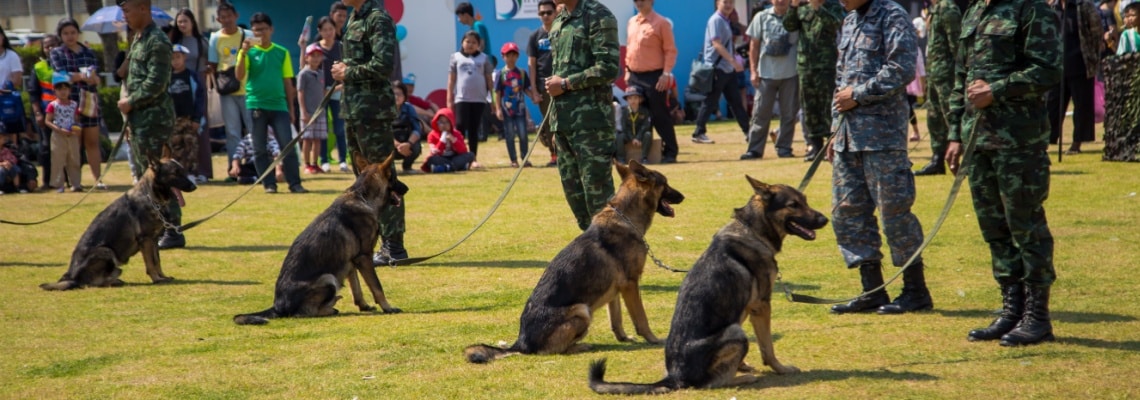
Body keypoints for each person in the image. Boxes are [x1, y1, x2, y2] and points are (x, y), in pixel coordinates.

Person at [946, 0, 1062, 347]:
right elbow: (960, 78)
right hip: (978, 141)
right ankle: (1012, 310)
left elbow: (1048, 69)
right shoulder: (975, 11)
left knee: (1026, 226)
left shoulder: (1031, 9)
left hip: (1019, 140)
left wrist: (996, 90)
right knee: (994, 229)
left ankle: (1037, 317)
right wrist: (954, 133)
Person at [826, 0, 932, 315]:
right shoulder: (848, 21)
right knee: (847, 213)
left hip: (882, 136)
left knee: (894, 213)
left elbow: (901, 68)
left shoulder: (892, 15)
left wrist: (857, 95)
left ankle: (916, 291)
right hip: (848, 136)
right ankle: (872, 289)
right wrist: (834, 130)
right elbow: (840, 82)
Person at [331, 0, 410, 266]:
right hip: (353, 110)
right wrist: (344, 71)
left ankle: (394, 246)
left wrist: (348, 72)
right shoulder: (354, 17)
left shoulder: (377, 19)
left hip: (373, 111)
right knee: (363, 183)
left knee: (382, 179)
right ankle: (372, 241)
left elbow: (384, 64)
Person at [546, 0, 619, 231]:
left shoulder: (598, 15)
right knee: (574, 195)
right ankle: (594, 251)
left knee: (598, 197)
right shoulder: (559, 20)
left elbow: (608, 67)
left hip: (592, 124)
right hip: (564, 123)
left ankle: (613, 252)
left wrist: (566, 84)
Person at [118, 0, 183, 248]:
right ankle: (157, 228)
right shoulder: (138, 38)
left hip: (154, 119)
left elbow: (157, 82)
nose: (125, 15)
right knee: (148, 179)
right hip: (140, 119)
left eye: (127, 9)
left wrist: (131, 101)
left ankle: (173, 229)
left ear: (143, 8)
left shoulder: (157, 41)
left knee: (161, 177)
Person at [235, 12, 307, 194]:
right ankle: (269, 184)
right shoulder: (248, 51)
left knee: (287, 146)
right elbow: (239, 75)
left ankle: (295, 183)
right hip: (256, 104)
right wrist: (243, 53)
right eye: (256, 30)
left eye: (264, 29)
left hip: (279, 106)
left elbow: (287, 82)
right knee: (259, 149)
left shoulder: (281, 52)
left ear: (271, 29)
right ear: (252, 31)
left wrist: (291, 109)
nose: (260, 33)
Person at [784, 0, 844, 162]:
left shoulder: (833, 6)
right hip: (805, 64)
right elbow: (789, 26)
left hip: (826, 65)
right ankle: (815, 147)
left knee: (828, 106)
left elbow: (833, 25)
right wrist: (793, 6)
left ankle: (832, 145)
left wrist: (818, 7)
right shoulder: (802, 7)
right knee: (809, 108)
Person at [50, 18, 104, 189]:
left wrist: (92, 78)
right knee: (74, 144)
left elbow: (96, 78)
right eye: (65, 33)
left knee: (92, 141)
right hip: (68, 103)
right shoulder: (57, 53)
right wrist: (81, 77)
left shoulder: (88, 52)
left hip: (89, 100)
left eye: (73, 32)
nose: (70, 36)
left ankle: (98, 179)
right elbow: (62, 76)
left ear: (78, 33)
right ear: (60, 35)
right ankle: (75, 181)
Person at [742, 0, 800, 160]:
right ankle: (754, 149)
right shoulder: (761, 17)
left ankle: (784, 148)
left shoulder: (797, 16)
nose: (780, 1)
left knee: (789, 114)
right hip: (766, 73)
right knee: (760, 113)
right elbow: (753, 45)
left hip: (791, 73)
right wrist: (753, 71)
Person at [624, 0, 680, 163]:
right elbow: (630, 48)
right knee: (638, 115)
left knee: (659, 114)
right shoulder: (631, 22)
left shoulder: (661, 23)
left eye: (642, 0)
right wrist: (627, 71)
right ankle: (644, 153)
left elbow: (670, 51)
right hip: (634, 75)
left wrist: (666, 74)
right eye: (635, 1)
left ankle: (671, 151)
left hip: (655, 76)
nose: (639, 3)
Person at [914, 0, 964, 176]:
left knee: (951, 115)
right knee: (934, 117)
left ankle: (963, 160)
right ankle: (937, 159)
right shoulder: (935, 10)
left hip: (947, 75)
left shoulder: (948, 8)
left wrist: (959, 76)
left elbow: (958, 46)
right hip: (935, 73)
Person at [1048, 0, 1104, 155]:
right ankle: (1047, 140)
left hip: (1080, 64)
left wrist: (1093, 56)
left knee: (1081, 107)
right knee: (1052, 105)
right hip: (1057, 65)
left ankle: (1077, 142)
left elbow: (1097, 32)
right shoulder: (1053, 6)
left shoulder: (1083, 5)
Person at [691, 0, 750, 145]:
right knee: (710, 101)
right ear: (718, 3)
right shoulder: (716, 20)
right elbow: (716, 44)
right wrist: (733, 61)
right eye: (725, 2)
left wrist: (734, 58)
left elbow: (725, 44)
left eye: (731, 2)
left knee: (735, 101)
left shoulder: (725, 20)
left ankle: (749, 131)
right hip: (718, 68)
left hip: (726, 69)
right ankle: (698, 132)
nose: (728, 5)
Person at [208, 2, 255, 176]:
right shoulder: (215, 38)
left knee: (252, 130)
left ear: (236, 16)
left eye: (229, 16)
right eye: (223, 17)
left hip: (248, 89)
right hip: (227, 91)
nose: (226, 20)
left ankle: (254, 167)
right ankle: (233, 170)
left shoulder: (248, 35)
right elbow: (213, 64)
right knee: (232, 131)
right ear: (218, 19)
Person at [170, 8, 211, 182]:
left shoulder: (201, 42)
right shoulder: (174, 41)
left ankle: (202, 171)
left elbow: (208, 63)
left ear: (192, 22)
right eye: (179, 21)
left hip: (196, 82)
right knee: (178, 137)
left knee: (199, 129)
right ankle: (181, 172)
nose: (182, 24)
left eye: (185, 21)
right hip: (177, 85)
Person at [447, 31, 494, 169]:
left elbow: (489, 81)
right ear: (462, 42)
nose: (470, 44)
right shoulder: (455, 57)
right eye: (468, 41)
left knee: (474, 129)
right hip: (461, 98)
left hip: (479, 99)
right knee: (460, 127)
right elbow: (451, 81)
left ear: (479, 45)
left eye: (474, 42)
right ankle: (459, 157)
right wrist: (449, 99)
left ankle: (473, 158)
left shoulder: (484, 58)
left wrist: (492, 100)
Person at [166, 44, 206, 182]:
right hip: (174, 120)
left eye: (178, 57)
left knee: (191, 145)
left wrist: (197, 118)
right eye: (172, 58)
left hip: (190, 118)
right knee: (175, 147)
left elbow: (200, 97)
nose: (175, 61)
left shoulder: (192, 75)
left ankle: (192, 173)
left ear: (185, 57)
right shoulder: (167, 78)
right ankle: (177, 173)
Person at [314, 16, 348, 173]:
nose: (328, 33)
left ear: (335, 30)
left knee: (339, 128)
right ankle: (324, 160)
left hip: (337, 91)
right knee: (322, 129)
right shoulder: (314, 48)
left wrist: (339, 87)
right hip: (319, 93)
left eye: (331, 29)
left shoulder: (341, 47)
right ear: (319, 31)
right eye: (325, 30)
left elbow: (347, 69)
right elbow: (306, 68)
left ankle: (342, 160)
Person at [27, 34, 61, 189]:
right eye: (47, 46)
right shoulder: (38, 67)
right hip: (46, 114)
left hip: (64, 112)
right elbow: (33, 93)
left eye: (54, 45)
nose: (50, 49)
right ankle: (47, 181)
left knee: (66, 148)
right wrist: (38, 114)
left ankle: (66, 180)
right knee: (46, 147)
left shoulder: (64, 64)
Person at [528, 0, 559, 167]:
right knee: (548, 122)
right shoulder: (535, 36)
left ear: (555, 13)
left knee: (564, 120)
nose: (545, 16)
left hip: (563, 84)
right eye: (542, 13)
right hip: (543, 85)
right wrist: (533, 89)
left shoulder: (562, 32)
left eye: (548, 12)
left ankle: (567, 155)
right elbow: (531, 64)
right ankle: (554, 155)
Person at [495, 42, 532, 168]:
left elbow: (526, 89)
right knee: (509, 135)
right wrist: (498, 109)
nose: (511, 58)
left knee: (523, 134)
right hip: (507, 110)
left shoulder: (522, 73)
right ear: (503, 57)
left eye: (514, 55)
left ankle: (525, 158)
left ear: (517, 56)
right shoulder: (501, 74)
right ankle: (513, 159)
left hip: (520, 110)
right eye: (508, 55)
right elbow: (498, 93)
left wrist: (534, 96)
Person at [45, 79, 81, 193]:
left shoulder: (74, 104)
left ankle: (76, 183)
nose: (63, 92)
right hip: (58, 134)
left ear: (69, 90)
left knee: (74, 159)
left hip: (72, 135)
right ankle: (58, 184)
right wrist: (59, 130)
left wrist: (76, 128)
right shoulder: (53, 105)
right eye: (59, 89)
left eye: (65, 89)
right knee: (58, 160)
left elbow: (76, 119)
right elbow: (48, 121)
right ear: (55, 91)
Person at [297, 44, 327, 175]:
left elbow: (323, 92)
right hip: (308, 113)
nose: (315, 59)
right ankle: (307, 165)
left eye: (318, 56)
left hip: (320, 113)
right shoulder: (303, 73)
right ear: (306, 58)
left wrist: (338, 87)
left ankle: (315, 164)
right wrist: (303, 112)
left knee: (317, 139)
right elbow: (300, 93)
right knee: (307, 139)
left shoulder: (321, 73)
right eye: (312, 56)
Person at [420, 108, 475, 173]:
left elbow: (463, 151)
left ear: (451, 123)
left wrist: (454, 140)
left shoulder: (457, 134)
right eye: (441, 122)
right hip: (441, 158)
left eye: (447, 122)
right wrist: (442, 141)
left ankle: (446, 168)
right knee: (431, 159)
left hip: (454, 157)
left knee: (471, 155)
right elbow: (435, 152)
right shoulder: (432, 135)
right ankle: (456, 167)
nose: (444, 125)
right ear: (437, 123)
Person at [615, 86, 652, 164]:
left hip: (641, 135)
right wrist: (632, 138)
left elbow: (645, 126)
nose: (633, 101)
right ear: (627, 100)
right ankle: (621, 158)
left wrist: (638, 138)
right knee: (620, 136)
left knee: (648, 134)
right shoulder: (624, 111)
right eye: (630, 98)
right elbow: (624, 127)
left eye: (635, 98)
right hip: (629, 136)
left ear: (640, 99)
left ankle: (644, 157)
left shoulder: (645, 111)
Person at [392, 81, 423, 173]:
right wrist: (397, 145)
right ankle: (388, 169)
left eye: (399, 94)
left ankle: (407, 167)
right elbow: (382, 131)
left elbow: (417, 129)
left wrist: (408, 144)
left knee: (417, 146)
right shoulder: (384, 110)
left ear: (405, 96)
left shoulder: (409, 108)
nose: (396, 97)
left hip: (406, 143)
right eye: (394, 94)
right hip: (391, 143)